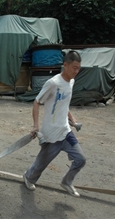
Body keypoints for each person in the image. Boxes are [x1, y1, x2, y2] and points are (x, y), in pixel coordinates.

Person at [23, 51, 86, 197]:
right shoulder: (53, 83)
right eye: (74, 68)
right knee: (41, 164)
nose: (76, 71)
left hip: (65, 130)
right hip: (51, 133)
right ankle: (28, 177)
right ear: (65, 65)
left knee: (80, 159)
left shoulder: (71, 82)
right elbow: (37, 101)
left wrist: (72, 119)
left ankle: (67, 182)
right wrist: (35, 126)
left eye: (78, 68)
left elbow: (64, 103)